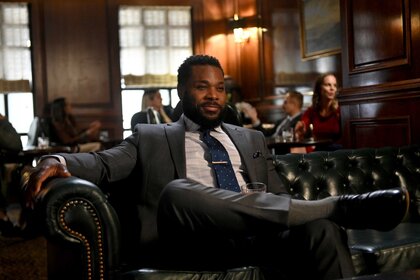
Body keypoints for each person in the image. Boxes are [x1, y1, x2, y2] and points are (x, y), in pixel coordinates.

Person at [23, 55, 408, 280]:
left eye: (220, 88)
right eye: (202, 87)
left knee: (322, 229)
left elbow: (277, 197)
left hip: (255, 235)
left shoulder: (250, 139)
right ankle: (340, 205)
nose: (213, 95)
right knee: (178, 190)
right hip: (189, 238)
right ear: (182, 92)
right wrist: (56, 160)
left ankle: (331, 213)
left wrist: (265, 205)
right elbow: (103, 163)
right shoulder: (151, 136)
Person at [295, 73, 341, 151]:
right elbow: (303, 124)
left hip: (337, 152)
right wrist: (301, 127)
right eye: (328, 85)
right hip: (319, 151)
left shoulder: (340, 110)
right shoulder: (313, 110)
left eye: (335, 85)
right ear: (320, 88)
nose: (332, 88)